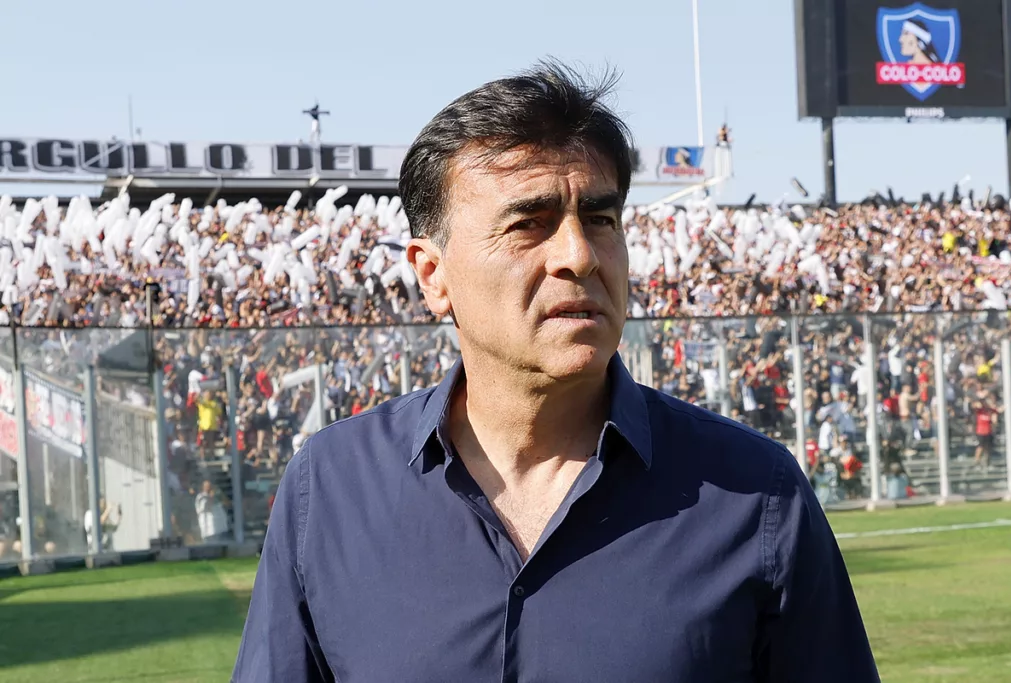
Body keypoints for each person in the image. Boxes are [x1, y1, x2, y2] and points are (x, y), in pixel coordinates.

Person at [232, 61, 879, 682]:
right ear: (433, 275)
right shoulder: (333, 488)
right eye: (529, 224)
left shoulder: (756, 496)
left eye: (600, 219)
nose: (578, 254)